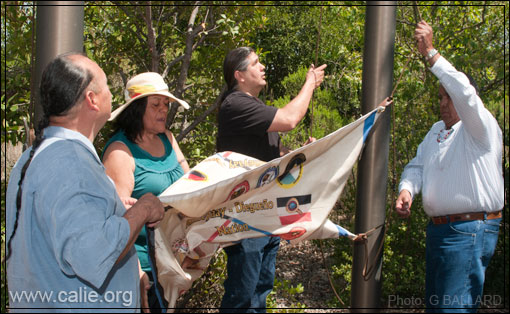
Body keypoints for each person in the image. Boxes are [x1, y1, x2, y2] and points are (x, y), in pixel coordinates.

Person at [5, 53, 165, 312]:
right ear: (92, 99)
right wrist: (144, 208)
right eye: (107, 87)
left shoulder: (34, 156)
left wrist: (115, 211)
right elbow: (92, 255)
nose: (112, 95)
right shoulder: (70, 161)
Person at [395, 21, 503, 313]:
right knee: (438, 308)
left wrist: (430, 53)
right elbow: (416, 167)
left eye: (448, 98)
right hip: (440, 232)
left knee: (451, 310)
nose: (443, 103)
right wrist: (407, 190)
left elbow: (465, 93)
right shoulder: (435, 131)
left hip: (469, 230)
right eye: (440, 97)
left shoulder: (480, 127)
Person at [216, 47, 326, 312]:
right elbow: (289, 119)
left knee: (259, 293)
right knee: (242, 296)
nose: (263, 66)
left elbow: (272, 156)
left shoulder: (253, 107)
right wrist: (310, 82)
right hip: (246, 218)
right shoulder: (235, 104)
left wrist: (301, 152)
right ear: (239, 75)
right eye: (256, 63)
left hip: (264, 214)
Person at [102, 72, 191, 312]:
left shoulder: (169, 138)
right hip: (141, 267)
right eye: (155, 105)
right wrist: (136, 272)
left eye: (166, 104)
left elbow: (191, 184)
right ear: (136, 109)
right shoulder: (120, 152)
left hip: (171, 262)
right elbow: (117, 219)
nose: (164, 110)